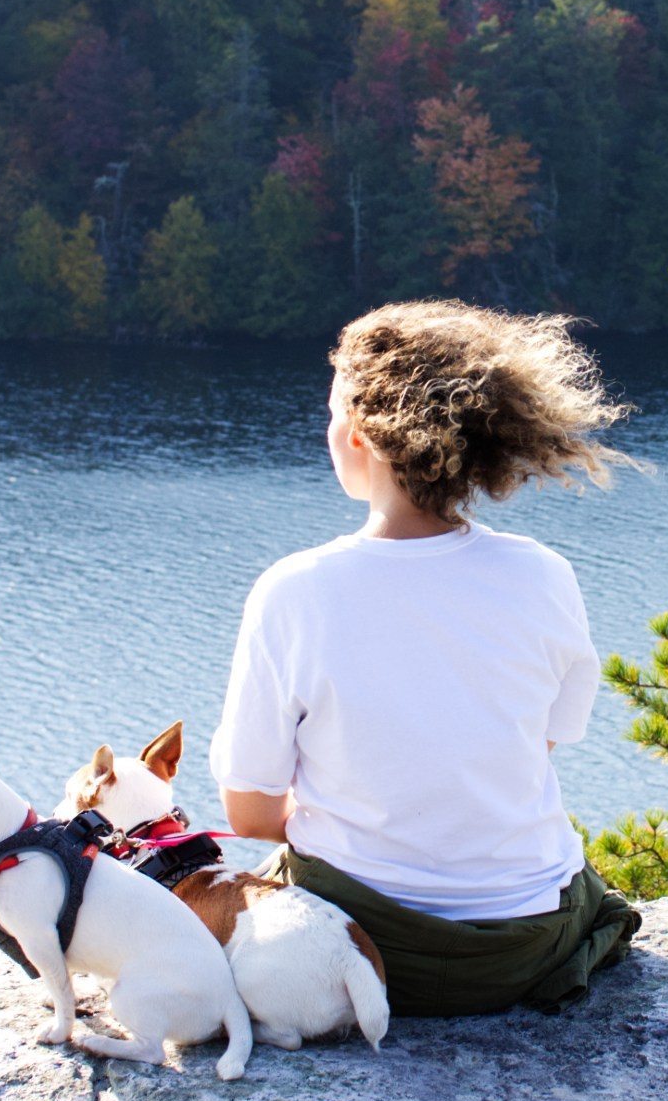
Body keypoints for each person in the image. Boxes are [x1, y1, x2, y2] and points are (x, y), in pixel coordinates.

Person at [209, 300, 641, 1017]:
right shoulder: (543, 574)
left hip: (360, 953)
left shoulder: (295, 591)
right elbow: (538, 741)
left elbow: (251, 813)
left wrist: (362, 822)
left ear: (358, 435)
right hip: (526, 946)